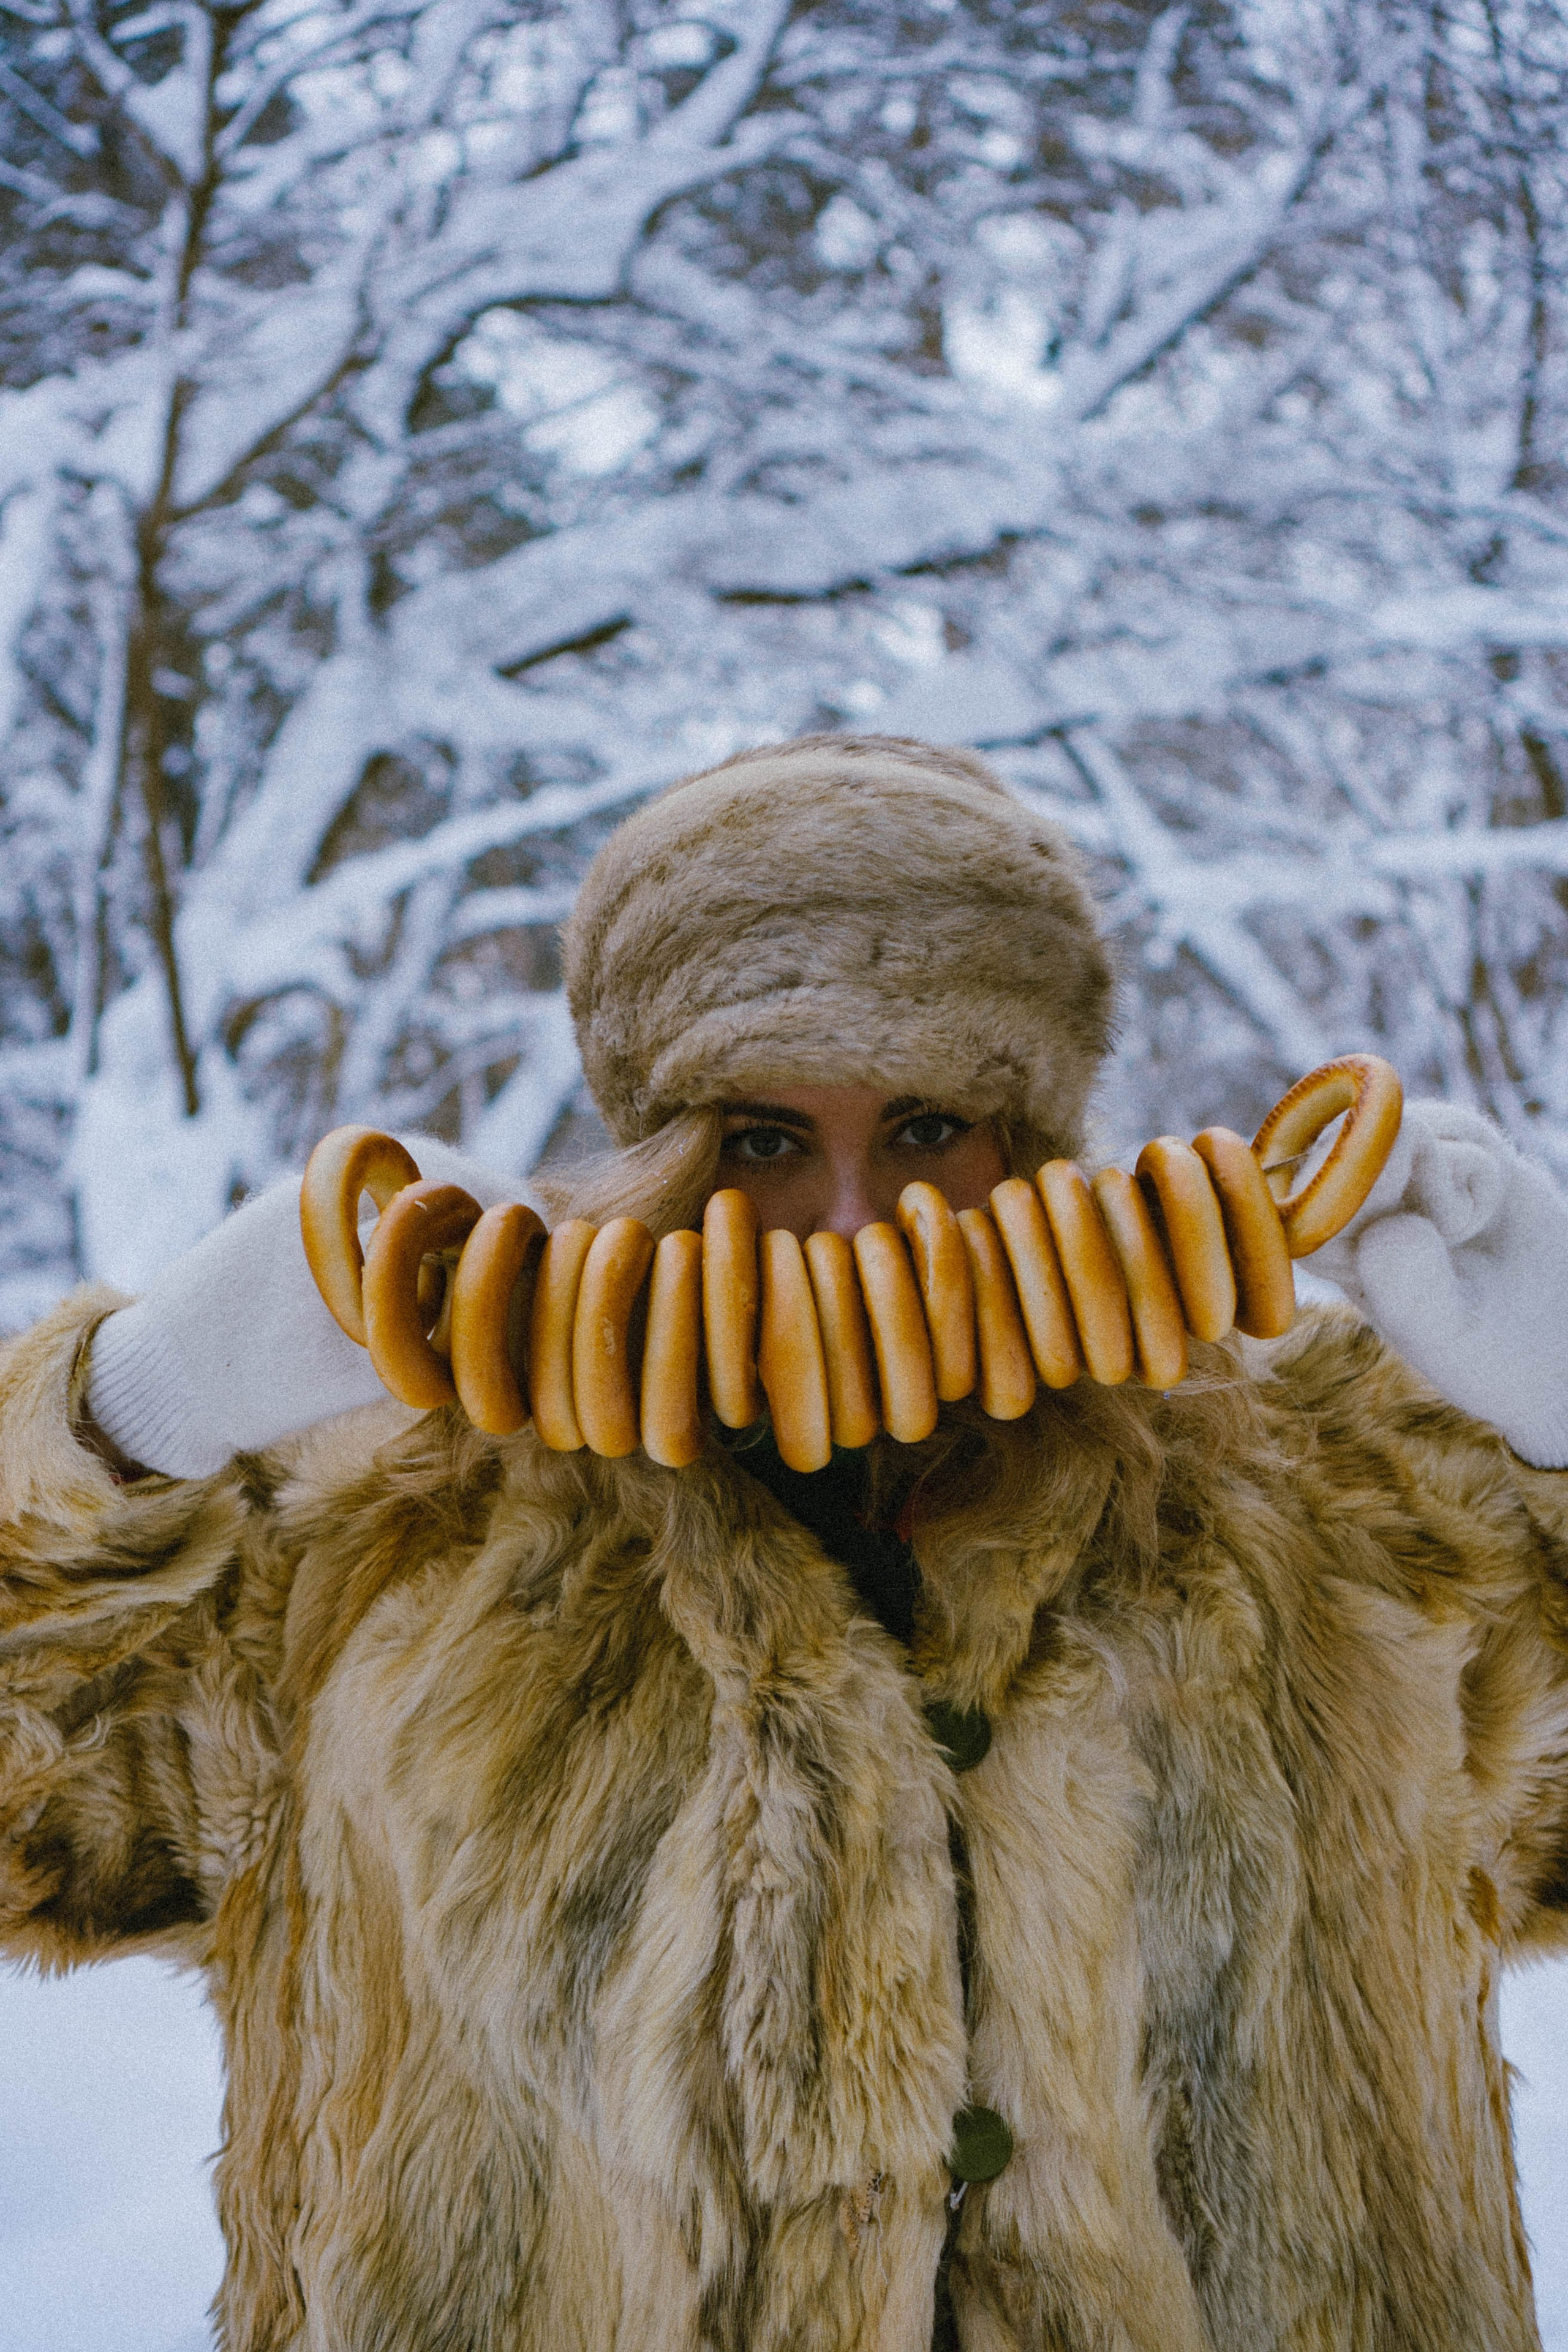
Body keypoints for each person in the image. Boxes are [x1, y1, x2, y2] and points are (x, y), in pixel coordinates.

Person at [2, 733, 1567, 2352]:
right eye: (761, 1141)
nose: (849, 1220)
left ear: (1034, 1142)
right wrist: (138, 1407)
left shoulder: (1331, 1508)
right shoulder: (393, 1540)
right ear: (656, 1149)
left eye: (925, 1131)